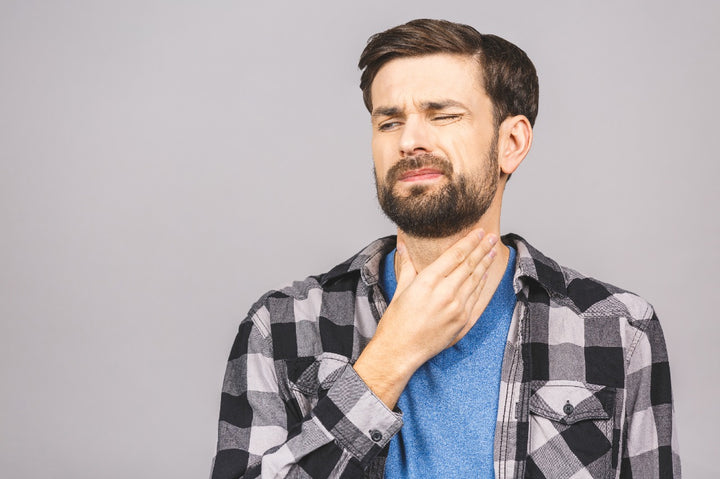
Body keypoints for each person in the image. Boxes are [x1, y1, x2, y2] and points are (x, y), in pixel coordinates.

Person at [211, 19, 680, 479]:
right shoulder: (282, 327)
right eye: (389, 121)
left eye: (444, 115)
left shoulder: (618, 330)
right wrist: (388, 359)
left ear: (511, 143)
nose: (410, 141)